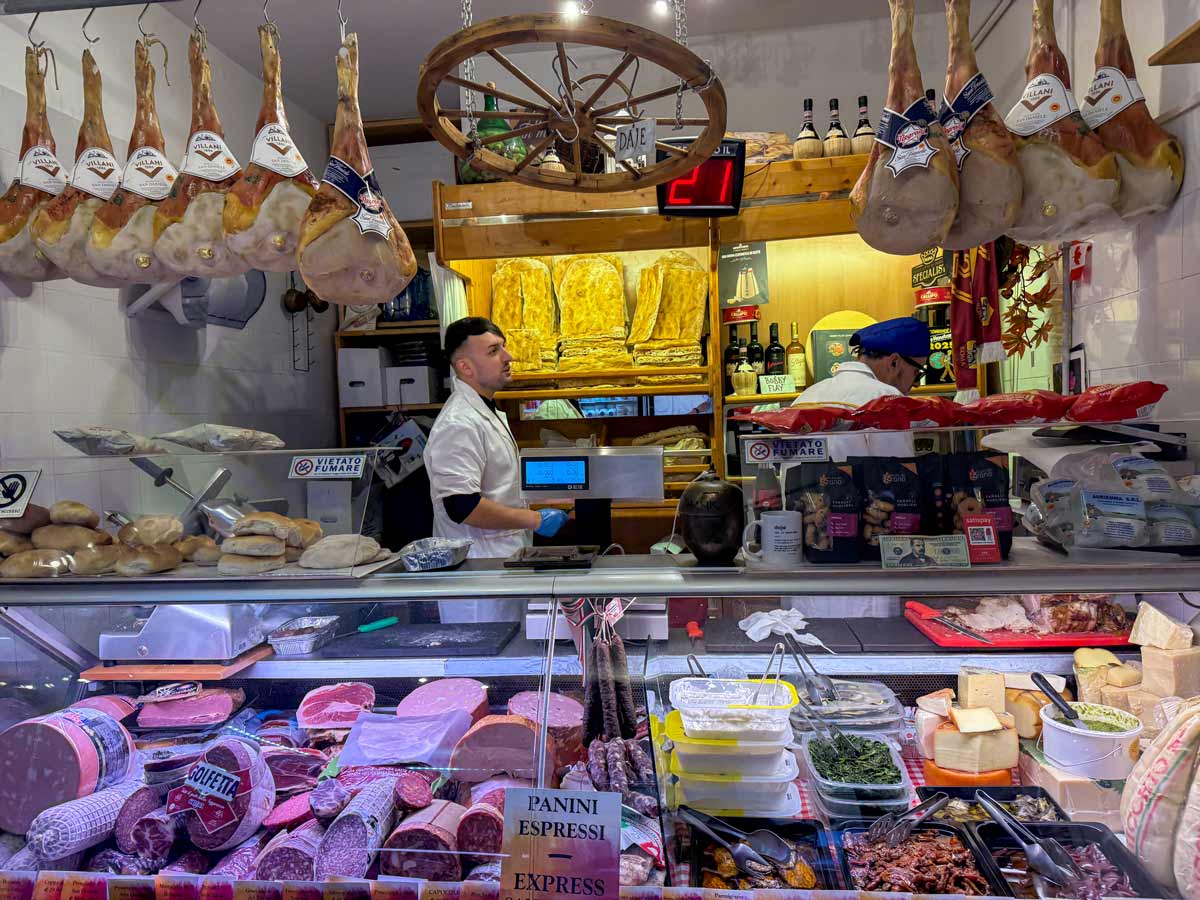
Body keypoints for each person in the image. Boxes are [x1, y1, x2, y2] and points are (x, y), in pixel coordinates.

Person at [781, 316, 931, 619]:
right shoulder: (887, 402)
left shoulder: (806, 396)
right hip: (865, 580)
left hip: (806, 566)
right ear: (894, 363)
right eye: (918, 369)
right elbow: (900, 486)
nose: (915, 381)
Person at [425, 317, 569, 623]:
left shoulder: (485, 411)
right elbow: (462, 506)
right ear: (465, 367)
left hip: (502, 566)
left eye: (503, 348)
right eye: (493, 351)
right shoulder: (458, 423)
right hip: (479, 581)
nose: (508, 357)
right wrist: (534, 519)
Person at [789, 316, 932, 460]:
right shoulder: (887, 399)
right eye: (917, 373)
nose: (917, 384)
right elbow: (900, 471)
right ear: (894, 362)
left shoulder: (807, 395)